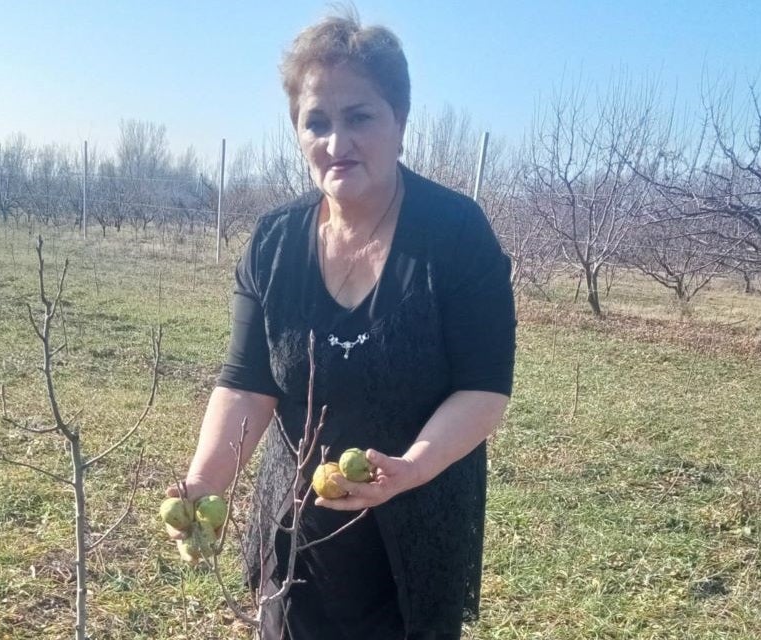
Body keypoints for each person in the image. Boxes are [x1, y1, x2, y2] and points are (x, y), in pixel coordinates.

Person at [166, 12, 516, 640]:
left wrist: (409, 467)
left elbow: (483, 388)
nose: (336, 142)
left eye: (360, 117)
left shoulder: (456, 234)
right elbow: (247, 382)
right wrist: (205, 483)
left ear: (400, 123)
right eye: (317, 122)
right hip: (299, 531)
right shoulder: (274, 242)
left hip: (415, 528)